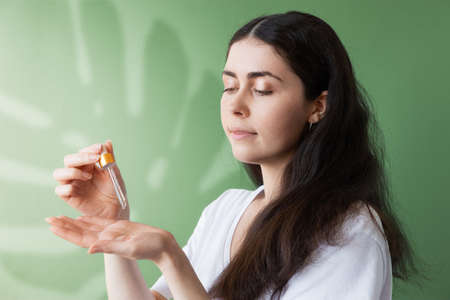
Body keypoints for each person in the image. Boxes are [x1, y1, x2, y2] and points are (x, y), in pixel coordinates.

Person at [46, 10, 420, 300]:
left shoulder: (347, 230)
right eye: (229, 86)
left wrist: (171, 258)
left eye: (262, 89)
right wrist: (115, 226)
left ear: (318, 106)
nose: (236, 106)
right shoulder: (226, 211)